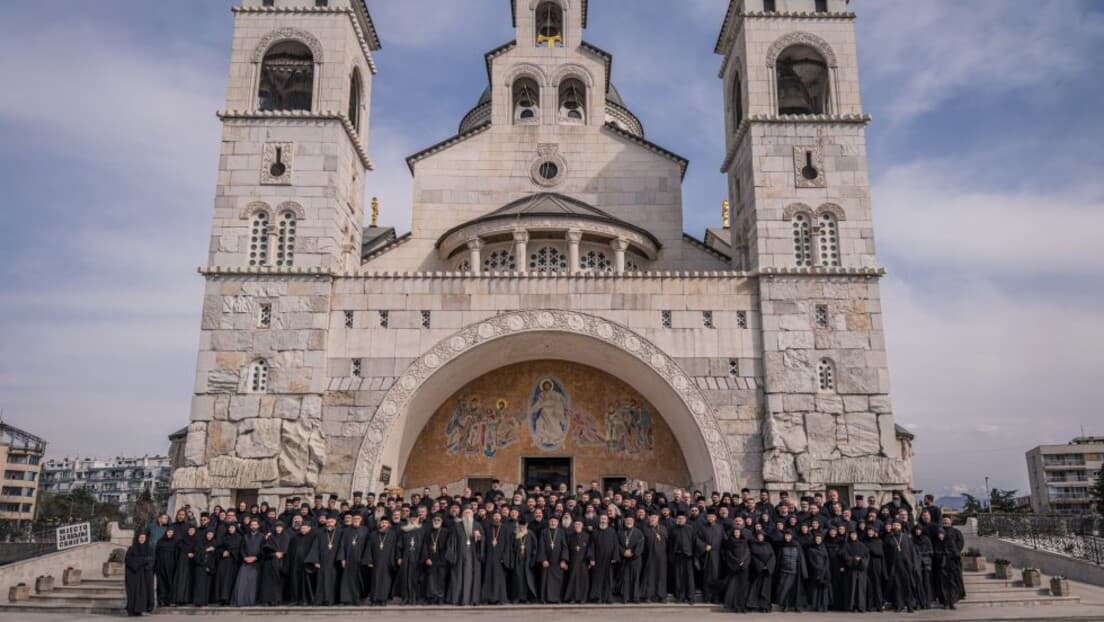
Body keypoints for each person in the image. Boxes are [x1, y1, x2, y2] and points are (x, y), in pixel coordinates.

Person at [448, 507, 484, 605]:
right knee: (459, 576)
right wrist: (453, 555)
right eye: (466, 513)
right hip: (460, 554)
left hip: (473, 554)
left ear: (472, 515)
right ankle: (459, 599)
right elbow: (452, 542)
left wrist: (479, 538)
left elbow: (482, 540)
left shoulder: (477, 525)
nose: (467, 515)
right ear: (462, 515)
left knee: (471, 576)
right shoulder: (457, 525)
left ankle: (472, 599)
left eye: (469, 513)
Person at [367, 516, 400, 605]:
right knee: (375, 581)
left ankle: (383, 599)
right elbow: (369, 548)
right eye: (382, 523)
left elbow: (395, 548)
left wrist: (394, 560)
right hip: (376, 561)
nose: (383, 525)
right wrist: (369, 560)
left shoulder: (392, 534)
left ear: (389, 524)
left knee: (386, 581)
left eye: (385, 523)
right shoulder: (373, 534)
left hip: (387, 562)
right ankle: (374, 599)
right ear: (379, 524)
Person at [536, 514, 568, 603]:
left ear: (558, 523)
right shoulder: (544, 532)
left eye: (555, 521)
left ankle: (557, 599)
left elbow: (564, 547)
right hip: (547, 561)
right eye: (551, 521)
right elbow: (541, 546)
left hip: (558, 561)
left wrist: (563, 560)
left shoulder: (561, 532)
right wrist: (543, 559)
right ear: (549, 522)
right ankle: (545, 599)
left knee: (557, 582)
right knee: (545, 581)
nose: (553, 523)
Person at [421, 515, 452, 604]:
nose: (437, 521)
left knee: (441, 579)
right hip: (431, 559)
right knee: (431, 580)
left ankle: (440, 597)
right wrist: (427, 558)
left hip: (442, 560)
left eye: (438, 520)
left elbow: (448, 546)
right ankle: (431, 597)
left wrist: (444, 558)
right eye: (435, 520)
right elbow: (425, 546)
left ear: (441, 521)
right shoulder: (429, 532)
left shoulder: (446, 532)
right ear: (432, 521)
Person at [232, 519, 264, 606]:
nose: (253, 526)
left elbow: (263, 549)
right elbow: (242, 549)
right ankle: (241, 601)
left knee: (253, 583)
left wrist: (256, 557)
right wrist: (245, 557)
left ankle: (252, 601)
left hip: (256, 562)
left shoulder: (262, 536)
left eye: (255, 524)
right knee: (242, 582)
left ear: (258, 526)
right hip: (245, 562)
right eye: (252, 525)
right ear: (250, 526)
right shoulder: (245, 536)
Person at [587, 513, 618, 603]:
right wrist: (592, 558)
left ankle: (608, 597)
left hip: (609, 559)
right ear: (599, 520)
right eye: (602, 519)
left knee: (608, 579)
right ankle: (598, 597)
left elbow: (615, 545)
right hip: (598, 559)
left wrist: (615, 556)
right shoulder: (595, 532)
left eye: (605, 519)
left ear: (607, 521)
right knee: (597, 579)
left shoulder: (612, 531)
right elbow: (591, 546)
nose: (603, 520)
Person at [258, 522, 290, 606]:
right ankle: (266, 599)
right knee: (267, 581)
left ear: (283, 528)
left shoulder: (286, 537)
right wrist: (274, 554)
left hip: (280, 562)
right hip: (269, 561)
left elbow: (287, 550)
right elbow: (264, 549)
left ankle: (276, 600)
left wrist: (282, 554)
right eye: (277, 527)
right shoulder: (271, 537)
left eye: (280, 527)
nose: (278, 529)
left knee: (277, 581)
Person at [125, 532, 155, 617]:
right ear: (137, 538)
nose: (142, 539)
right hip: (134, 575)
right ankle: (132, 610)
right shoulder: (131, 549)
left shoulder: (149, 549)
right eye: (140, 537)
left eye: (143, 538)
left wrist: (142, 562)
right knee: (133, 593)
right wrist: (143, 560)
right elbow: (128, 561)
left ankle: (140, 609)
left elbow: (152, 560)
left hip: (145, 574)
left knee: (144, 592)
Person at [639, 513, 668, 602]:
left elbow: (667, 541)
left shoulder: (663, 528)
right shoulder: (645, 528)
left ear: (658, 519)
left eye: (654, 517)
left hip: (661, 557)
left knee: (661, 576)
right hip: (650, 556)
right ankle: (648, 595)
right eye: (651, 517)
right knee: (649, 576)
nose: (653, 519)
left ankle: (661, 596)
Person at [721, 526, 750, 612]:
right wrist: (737, 562)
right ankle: (735, 606)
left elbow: (747, 553)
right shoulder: (730, 542)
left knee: (743, 587)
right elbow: (728, 554)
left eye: (738, 532)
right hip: (733, 567)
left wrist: (743, 562)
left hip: (744, 567)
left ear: (740, 533)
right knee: (733, 587)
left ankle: (742, 606)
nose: (737, 534)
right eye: (735, 532)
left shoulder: (744, 541)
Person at [617, 514, 645, 603]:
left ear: (633, 521)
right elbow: (616, 544)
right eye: (627, 520)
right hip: (624, 559)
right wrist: (623, 552)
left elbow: (640, 545)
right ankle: (626, 597)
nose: (629, 522)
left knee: (635, 578)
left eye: (630, 520)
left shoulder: (639, 532)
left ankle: (635, 597)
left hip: (635, 559)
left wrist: (632, 553)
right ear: (624, 521)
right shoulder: (620, 532)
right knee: (625, 579)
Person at [933, 529, 964, 610]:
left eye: (942, 534)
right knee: (944, 586)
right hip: (942, 567)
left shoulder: (950, 542)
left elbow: (956, 554)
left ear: (944, 534)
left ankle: (952, 602)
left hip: (951, 566)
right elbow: (935, 554)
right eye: (939, 534)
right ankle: (946, 603)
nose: (940, 536)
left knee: (952, 585)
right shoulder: (937, 543)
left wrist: (947, 554)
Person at [669, 513, 696, 604]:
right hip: (677, 556)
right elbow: (670, 544)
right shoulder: (673, 529)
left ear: (685, 519)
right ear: (677, 519)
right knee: (678, 577)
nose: (680, 520)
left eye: (682, 518)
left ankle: (691, 597)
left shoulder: (690, 528)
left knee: (689, 577)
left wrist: (693, 554)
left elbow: (694, 542)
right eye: (679, 518)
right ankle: (680, 597)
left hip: (688, 556)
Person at [746, 531, 775, 612]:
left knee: (765, 589)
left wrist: (768, 566)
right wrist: (761, 566)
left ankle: (764, 606)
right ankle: (753, 605)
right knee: (755, 587)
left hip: (767, 571)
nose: (760, 537)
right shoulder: (753, 545)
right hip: (757, 570)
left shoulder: (768, 545)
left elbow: (772, 556)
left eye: (761, 536)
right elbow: (753, 557)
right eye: (759, 536)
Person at [563, 518, 591, 603]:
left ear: (582, 526)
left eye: (579, 524)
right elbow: (566, 548)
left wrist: (590, 559)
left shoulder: (587, 536)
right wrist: (565, 560)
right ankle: (573, 598)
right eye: (576, 524)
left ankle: (583, 598)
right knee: (573, 580)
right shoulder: (570, 536)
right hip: (573, 561)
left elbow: (590, 548)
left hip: (583, 561)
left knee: (583, 580)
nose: (577, 526)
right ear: (574, 525)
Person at [842, 530, 870, 612]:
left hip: (861, 570)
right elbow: (844, 556)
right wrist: (854, 560)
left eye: (854, 534)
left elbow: (867, 556)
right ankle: (851, 606)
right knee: (851, 588)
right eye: (852, 535)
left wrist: (861, 560)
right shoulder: (846, 545)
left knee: (861, 588)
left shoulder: (862, 545)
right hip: (851, 570)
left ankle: (861, 606)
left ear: (857, 535)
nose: (853, 536)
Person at [214, 523, 242, 605]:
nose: (231, 529)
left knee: (230, 580)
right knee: (221, 579)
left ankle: (229, 599)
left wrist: (230, 552)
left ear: (235, 528)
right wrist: (222, 552)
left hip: (233, 562)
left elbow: (240, 549)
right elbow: (218, 548)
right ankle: (222, 598)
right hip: (223, 561)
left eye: (232, 527)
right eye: (229, 528)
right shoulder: (225, 537)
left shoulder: (239, 538)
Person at [804, 532, 832, 612]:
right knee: (815, 589)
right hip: (815, 571)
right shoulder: (811, 549)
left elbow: (827, 559)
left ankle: (824, 606)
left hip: (825, 571)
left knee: (824, 589)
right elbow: (811, 561)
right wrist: (817, 568)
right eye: (817, 539)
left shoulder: (824, 548)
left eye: (819, 539)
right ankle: (815, 606)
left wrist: (825, 568)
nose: (818, 540)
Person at [864, 527, 888, 611]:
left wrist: (872, 550)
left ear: (874, 532)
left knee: (877, 585)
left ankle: (879, 605)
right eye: (869, 531)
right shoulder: (865, 542)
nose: (870, 532)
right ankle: (869, 605)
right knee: (869, 586)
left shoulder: (879, 541)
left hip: (877, 565)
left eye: (872, 531)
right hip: (868, 565)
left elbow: (881, 554)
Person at [191, 530, 217, 606]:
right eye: (208, 534)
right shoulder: (200, 543)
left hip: (209, 567)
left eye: (211, 534)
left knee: (207, 585)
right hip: (200, 566)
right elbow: (197, 553)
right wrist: (207, 550)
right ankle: (198, 602)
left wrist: (210, 567)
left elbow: (214, 557)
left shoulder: (214, 544)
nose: (209, 536)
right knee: (199, 585)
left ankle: (205, 601)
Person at [171, 526, 195, 606]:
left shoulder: (196, 539)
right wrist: (188, 552)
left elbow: (197, 548)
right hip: (183, 562)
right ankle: (179, 599)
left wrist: (193, 553)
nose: (191, 532)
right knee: (181, 579)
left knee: (189, 580)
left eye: (193, 530)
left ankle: (186, 599)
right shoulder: (182, 539)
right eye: (190, 530)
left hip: (191, 562)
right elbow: (180, 546)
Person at [153, 528, 177, 608]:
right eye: (169, 532)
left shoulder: (175, 542)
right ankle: (161, 601)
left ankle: (169, 601)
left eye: (171, 532)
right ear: (166, 533)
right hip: (161, 566)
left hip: (171, 567)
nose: (170, 534)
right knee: (161, 584)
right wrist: (156, 565)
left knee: (170, 584)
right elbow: (156, 553)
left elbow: (176, 555)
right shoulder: (160, 541)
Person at [912, 524, 934, 609]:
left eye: (919, 529)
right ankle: (919, 602)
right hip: (916, 563)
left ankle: (927, 602)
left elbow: (931, 551)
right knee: (918, 583)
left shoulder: (926, 539)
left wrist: (922, 554)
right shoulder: (912, 539)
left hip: (926, 563)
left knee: (927, 583)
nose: (918, 531)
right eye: (916, 529)